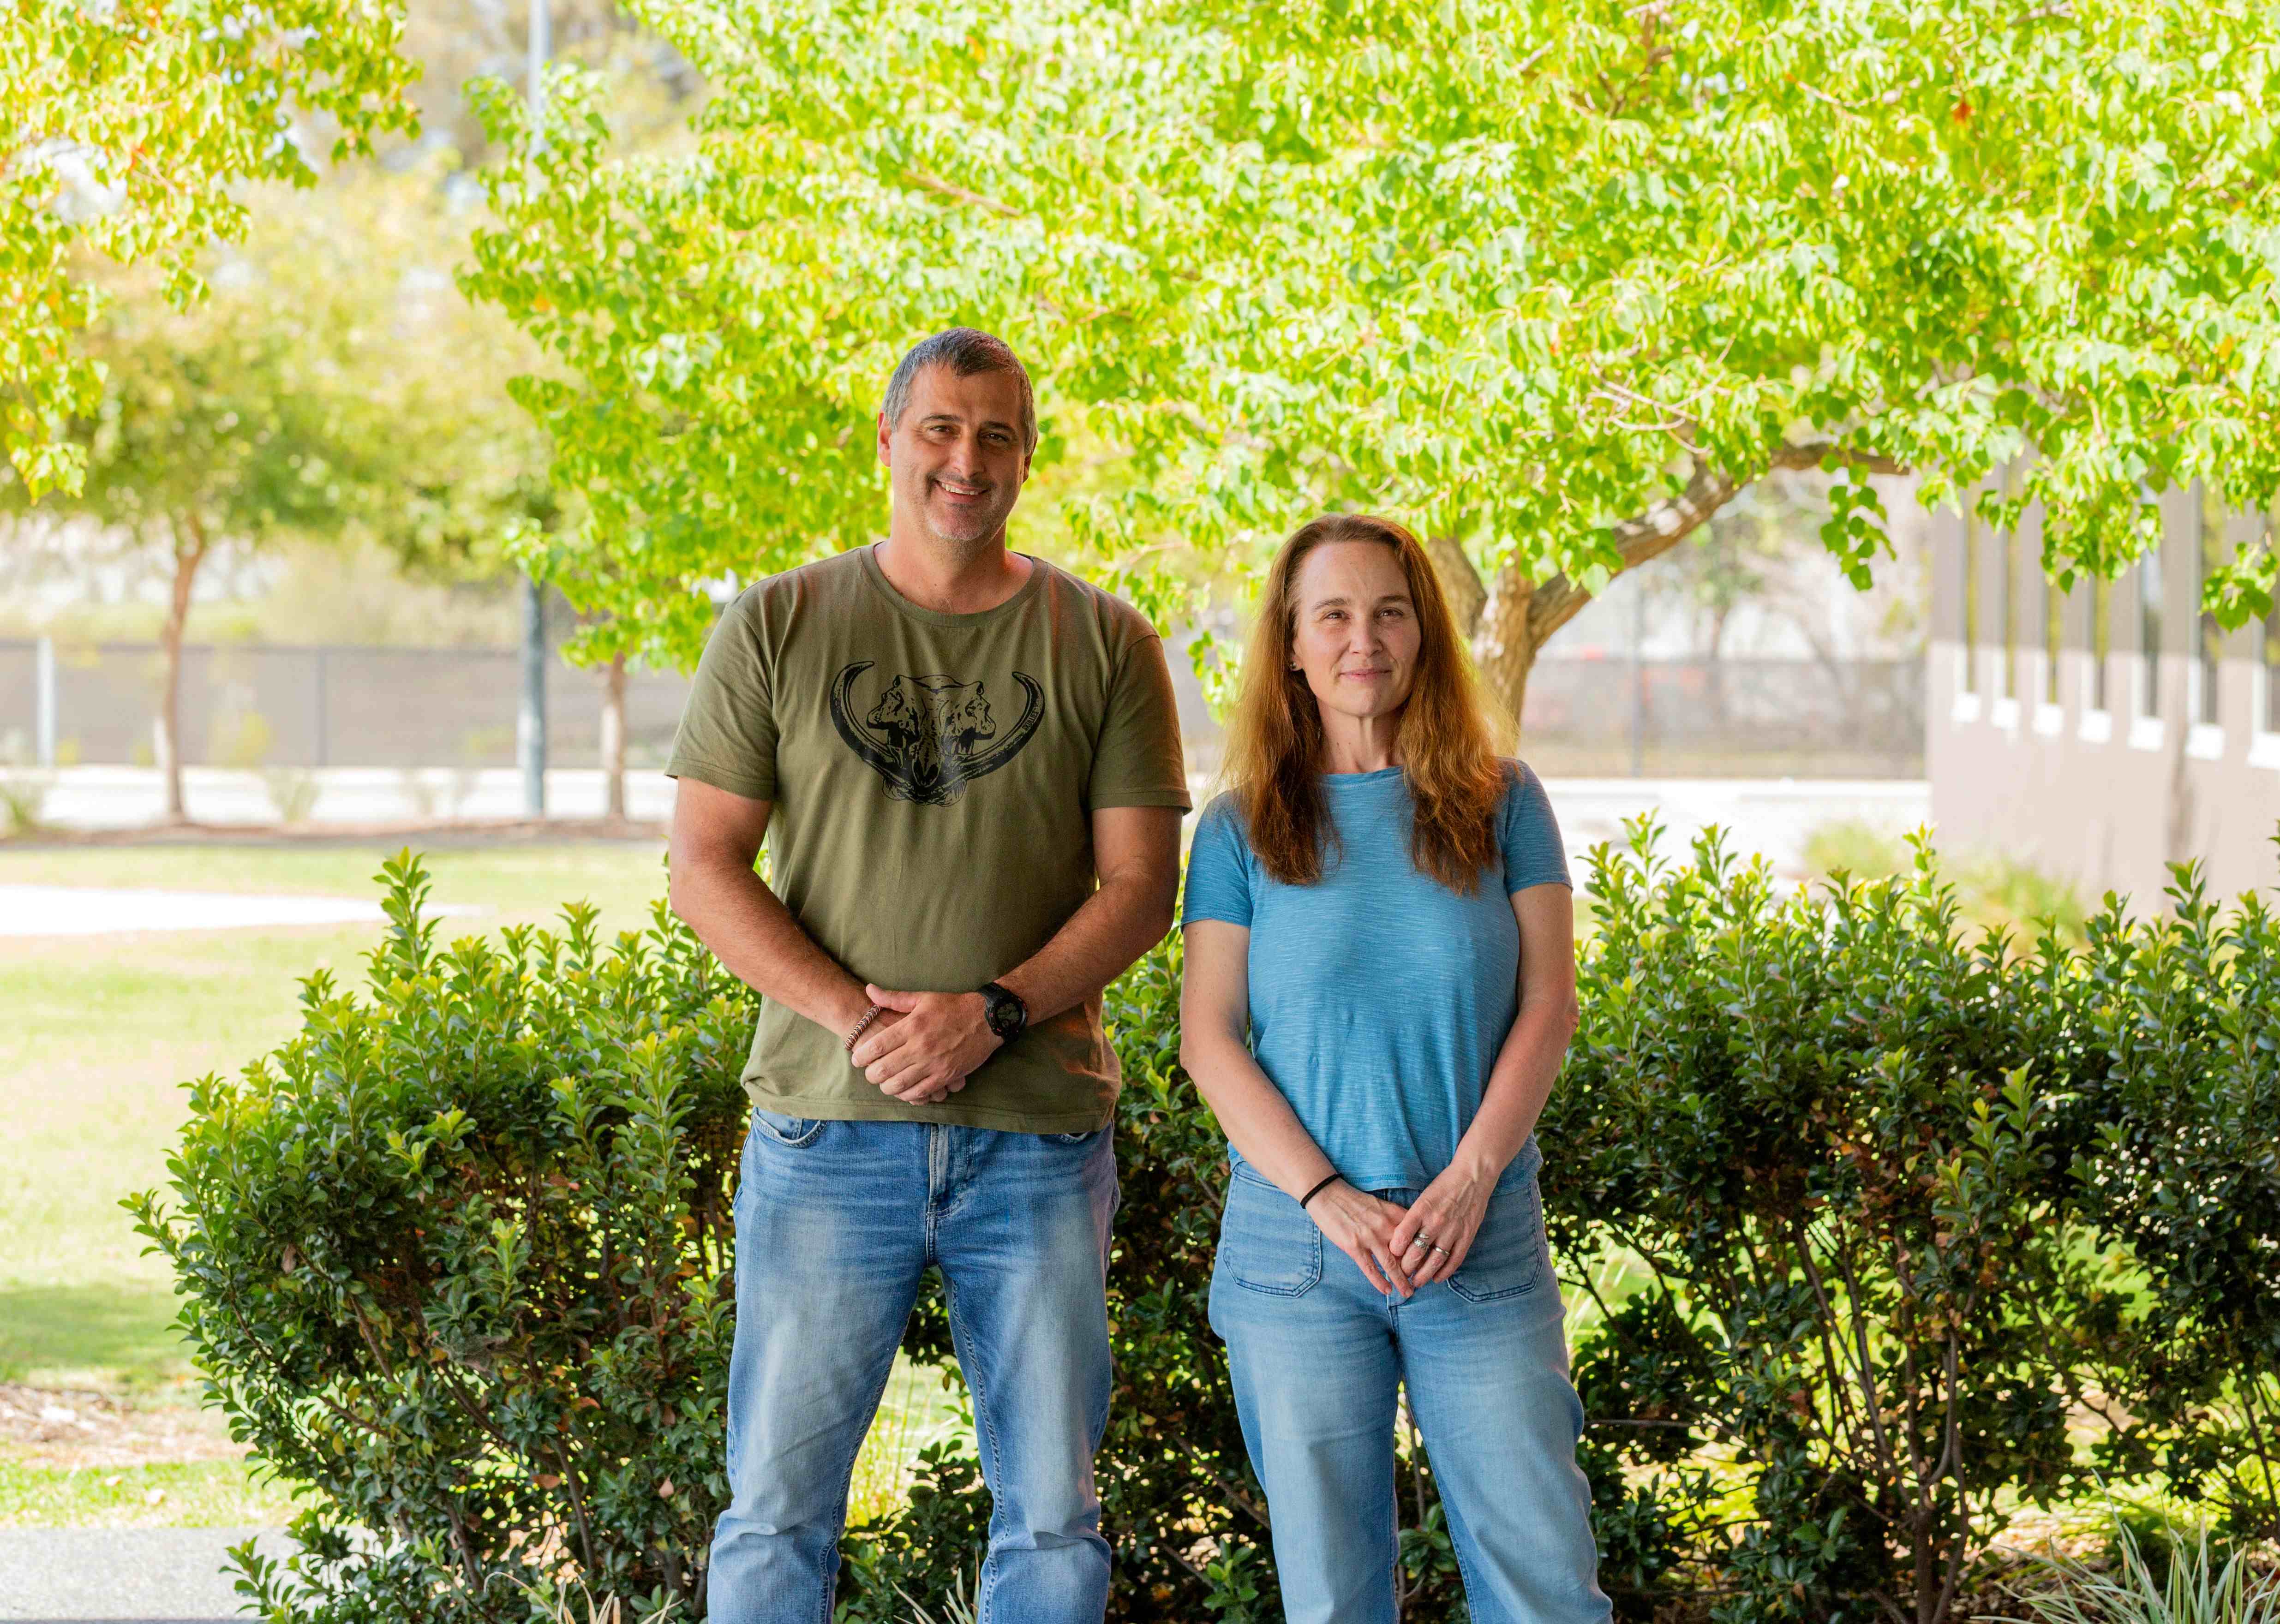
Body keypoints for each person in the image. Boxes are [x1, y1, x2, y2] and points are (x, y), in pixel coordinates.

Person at [666, 328, 1190, 1624]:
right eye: (941, 429)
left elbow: (1141, 888)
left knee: (1053, 1519)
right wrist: (861, 1021)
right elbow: (704, 867)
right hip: (824, 1131)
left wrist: (992, 1012)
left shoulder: (1106, 641)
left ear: (1026, 458)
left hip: (1036, 1140)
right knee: (774, 1511)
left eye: (996, 435)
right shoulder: (779, 622)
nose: (967, 460)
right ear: (889, 441)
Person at [1178, 513, 1610, 1624]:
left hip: (1476, 1233)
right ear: (1290, 644)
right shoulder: (1237, 829)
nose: (1361, 639)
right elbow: (1208, 1037)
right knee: (1332, 1601)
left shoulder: (1505, 800)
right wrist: (1325, 1195)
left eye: (1387, 611)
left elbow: (1548, 1004)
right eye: (1331, 614)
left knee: (1546, 1590)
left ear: (1423, 634)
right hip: (1298, 1254)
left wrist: (1470, 1176)